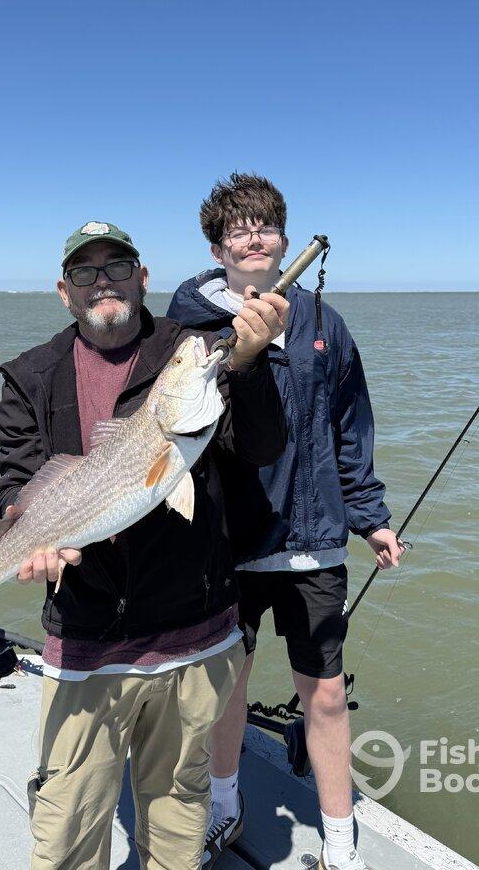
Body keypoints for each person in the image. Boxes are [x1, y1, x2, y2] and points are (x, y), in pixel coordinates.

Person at [0, 219, 289, 870]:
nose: (104, 283)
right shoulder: (30, 377)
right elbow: (18, 484)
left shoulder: (193, 350)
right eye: (86, 273)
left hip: (197, 640)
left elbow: (261, 447)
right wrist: (20, 535)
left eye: (118, 267)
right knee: (66, 836)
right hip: (89, 644)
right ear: (63, 291)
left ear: (143, 278)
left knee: (177, 830)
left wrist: (253, 362)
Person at [167, 175, 403, 870]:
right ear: (216, 246)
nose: (252, 237)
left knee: (326, 698)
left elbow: (349, 429)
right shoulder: (190, 325)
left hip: (314, 541)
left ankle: (339, 839)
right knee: (226, 692)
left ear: (284, 239)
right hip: (229, 543)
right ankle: (226, 805)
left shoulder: (326, 324)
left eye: (263, 225)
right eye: (236, 229)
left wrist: (372, 518)